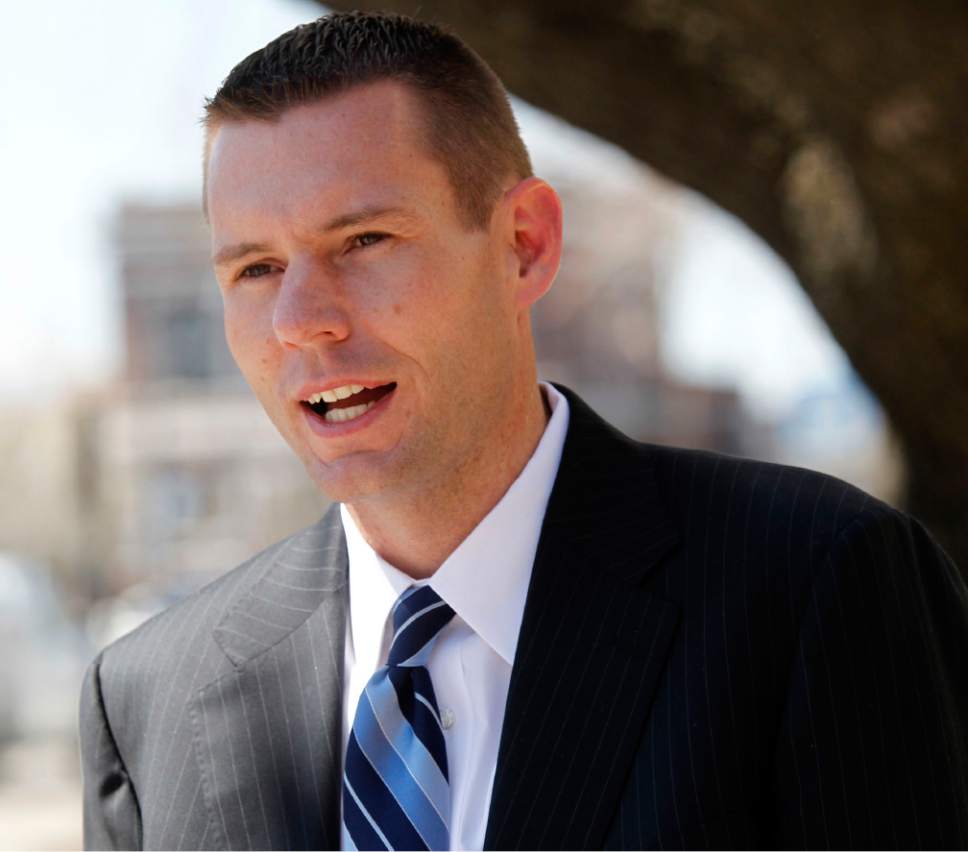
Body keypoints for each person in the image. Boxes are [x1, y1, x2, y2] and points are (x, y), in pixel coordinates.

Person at [79, 11, 968, 851]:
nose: (301, 319)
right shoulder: (150, 698)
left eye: (365, 242)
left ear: (524, 244)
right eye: (258, 268)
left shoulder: (818, 585)